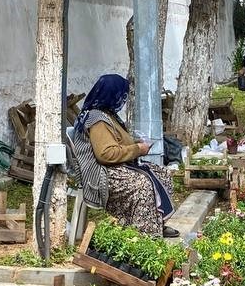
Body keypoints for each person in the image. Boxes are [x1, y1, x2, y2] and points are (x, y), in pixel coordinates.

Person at [68, 74, 178, 238]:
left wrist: (135, 144)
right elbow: (106, 154)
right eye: (121, 95)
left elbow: (116, 142)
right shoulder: (97, 119)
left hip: (115, 167)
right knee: (143, 184)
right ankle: (145, 233)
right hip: (101, 174)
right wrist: (138, 149)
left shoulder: (108, 114)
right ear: (111, 94)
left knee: (163, 173)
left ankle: (155, 223)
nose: (123, 99)